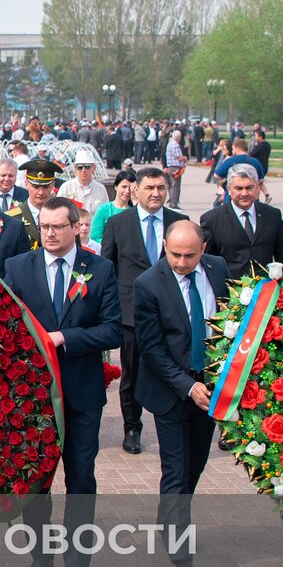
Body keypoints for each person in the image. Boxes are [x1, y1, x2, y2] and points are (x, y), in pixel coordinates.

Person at [3, 198, 122, 567]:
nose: (50, 233)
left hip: (81, 395)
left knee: (81, 480)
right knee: (36, 482)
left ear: (77, 227)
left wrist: (64, 339)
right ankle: (40, 557)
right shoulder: (19, 267)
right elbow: (6, 327)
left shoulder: (100, 270)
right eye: (44, 226)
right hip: (33, 399)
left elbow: (112, 331)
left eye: (58, 226)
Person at [132, 221, 228, 567]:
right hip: (170, 389)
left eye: (190, 255)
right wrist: (188, 386)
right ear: (165, 248)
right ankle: (182, 558)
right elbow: (152, 349)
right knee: (175, 468)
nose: (182, 262)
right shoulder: (148, 285)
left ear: (203, 249)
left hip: (211, 389)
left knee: (194, 466)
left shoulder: (218, 270)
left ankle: (169, 517)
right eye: (175, 254)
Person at [101, 167, 188, 455]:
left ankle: (175, 422)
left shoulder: (180, 222)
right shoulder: (119, 223)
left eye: (161, 188)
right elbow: (107, 270)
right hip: (131, 314)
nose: (155, 193)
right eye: (149, 187)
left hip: (172, 313)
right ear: (135, 189)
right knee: (133, 372)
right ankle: (132, 427)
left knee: (176, 369)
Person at [199, 163, 283, 285]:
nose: (244, 193)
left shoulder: (272, 216)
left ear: (258, 188)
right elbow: (207, 262)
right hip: (229, 296)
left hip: (267, 295)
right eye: (238, 188)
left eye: (249, 188)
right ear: (229, 189)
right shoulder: (212, 219)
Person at [5, 158, 62, 249]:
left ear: (53, 184)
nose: (40, 192)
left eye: (45, 187)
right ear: (26, 183)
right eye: (35, 187)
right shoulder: (11, 218)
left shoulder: (63, 215)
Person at [89, 170, 136, 247]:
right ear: (116, 187)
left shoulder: (135, 210)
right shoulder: (104, 209)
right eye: (124, 187)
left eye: (130, 188)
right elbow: (95, 237)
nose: (127, 191)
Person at [164, 130, 186, 207]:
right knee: (176, 186)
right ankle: (174, 203)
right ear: (179, 137)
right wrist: (185, 158)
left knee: (170, 185)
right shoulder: (175, 145)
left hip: (170, 166)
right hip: (175, 167)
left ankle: (171, 201)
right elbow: (179, 157)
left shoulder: (169, 144)